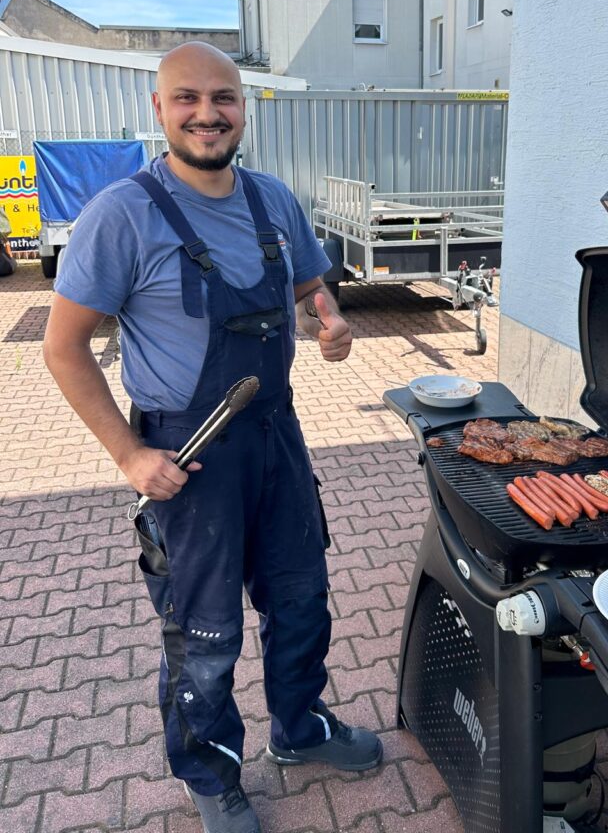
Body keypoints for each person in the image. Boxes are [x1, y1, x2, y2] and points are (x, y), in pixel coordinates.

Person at [43, 42, 381, 833]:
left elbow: (308, 284)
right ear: (160, 111)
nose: (208, 112)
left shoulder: (272, 200)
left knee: (302, 601)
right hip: (188, 456)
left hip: (277, 438)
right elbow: (63, 348)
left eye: (223, 97)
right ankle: (211, 771)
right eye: (187, 98)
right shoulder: (120, 215)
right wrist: (129, 455)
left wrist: (328, 319)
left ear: (242, 107)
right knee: (205, 630)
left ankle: (300, 730)